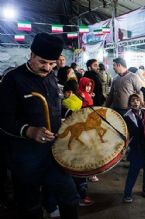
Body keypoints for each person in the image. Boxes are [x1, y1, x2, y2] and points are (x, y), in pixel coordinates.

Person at [0, 33, 79, 219]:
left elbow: (53, 108)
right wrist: (29, 130)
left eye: (52, 63)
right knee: (30, 205)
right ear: (31, 54)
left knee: (69, 196)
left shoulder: (51, 78)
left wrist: (64, 120)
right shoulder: (13, 79)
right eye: (43, 62)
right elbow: (3, 118)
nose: (48, 68)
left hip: (54, 153)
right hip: (25, 156)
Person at [122, 94, 145, 203]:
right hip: (136, 148)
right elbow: (125, 134)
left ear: (140, 102)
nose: (135, 102)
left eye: (137, 100)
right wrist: (124, 148)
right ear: (129, 103)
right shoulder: (126, 117)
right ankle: (127, 193)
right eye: (132, 101)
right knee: (133, 171)